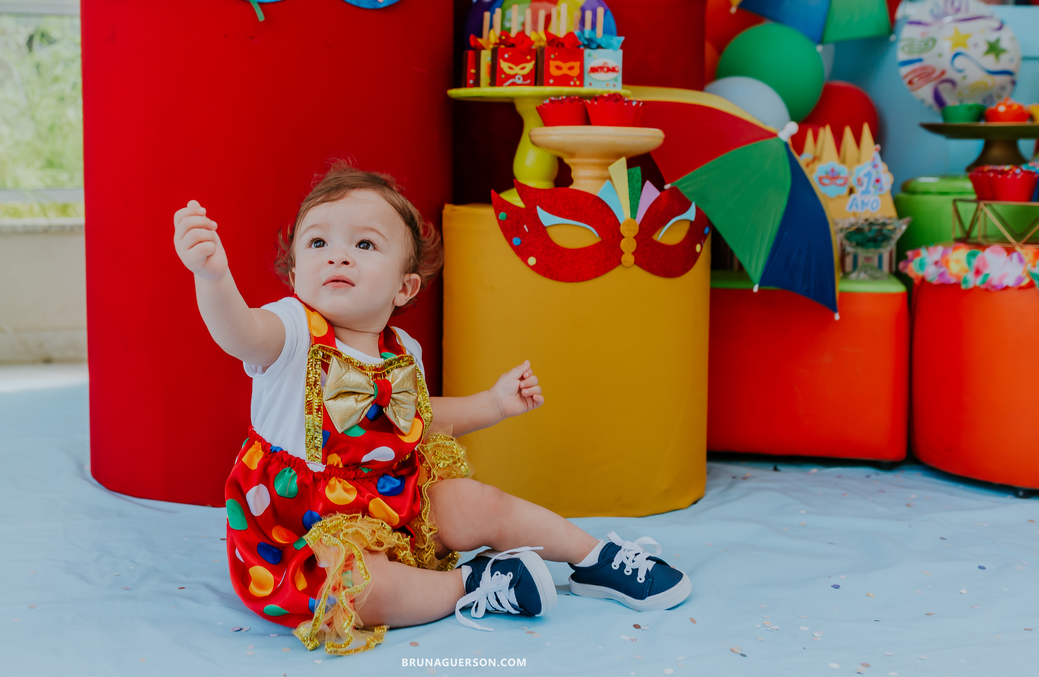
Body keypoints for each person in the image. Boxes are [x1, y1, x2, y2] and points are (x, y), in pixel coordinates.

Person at [172, 163, 690, 655]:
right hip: (301, 523)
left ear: (404, 287)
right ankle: (470, 582)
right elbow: (237, 332)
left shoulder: (403, 350)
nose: (338, 255)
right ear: (294, 275)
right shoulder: (287, 332)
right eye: (318, 242)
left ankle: (594, 558)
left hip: (391, 495)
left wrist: (493, 404)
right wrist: (213, 278)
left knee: (478, 501)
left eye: (365, 243)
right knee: (353, 589)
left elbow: (416, 424)